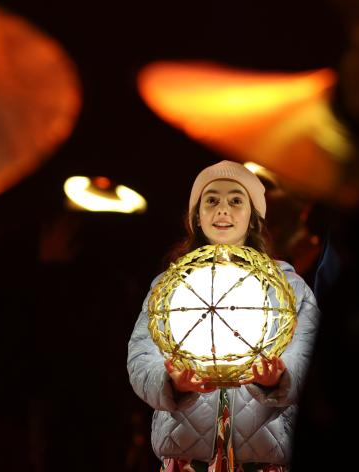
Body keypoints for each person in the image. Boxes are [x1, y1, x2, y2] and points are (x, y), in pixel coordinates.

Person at [127, 160, 319, 472]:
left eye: (236, 201)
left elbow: (310, 354)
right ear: (197, 216)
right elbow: (140, 357)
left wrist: (278, 380)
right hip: (187, 461)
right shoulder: (170, 287)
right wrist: (173, 384)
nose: (223, 210)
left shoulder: (288, 288)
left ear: (253, 218)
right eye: (212, 200)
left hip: (263, 461)